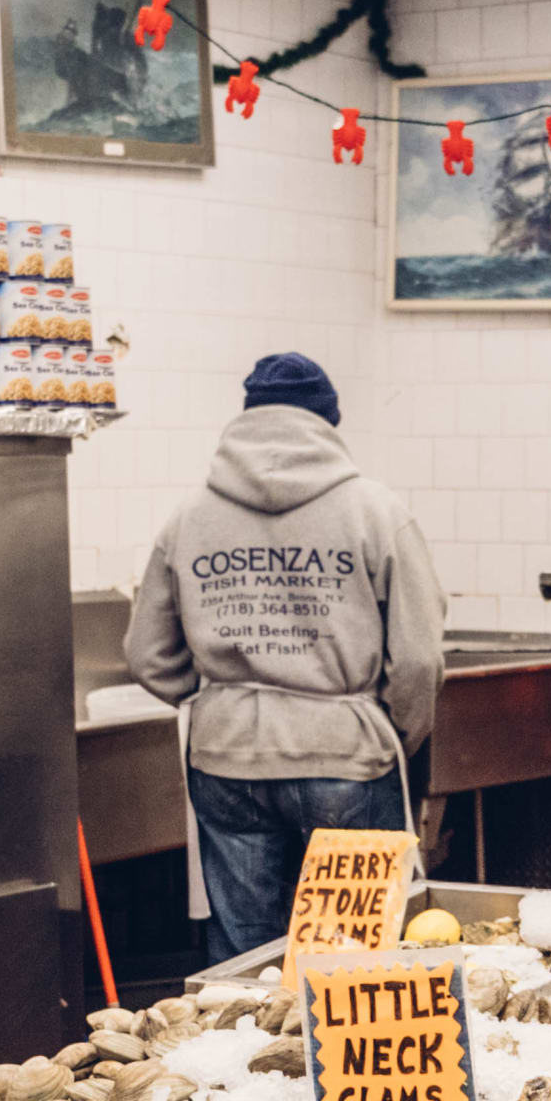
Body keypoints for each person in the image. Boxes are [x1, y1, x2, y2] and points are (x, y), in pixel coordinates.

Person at [126, 351, 441, 960]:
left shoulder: (190, 517)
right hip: (347, 757)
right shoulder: (376, 512)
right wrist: (391, 733)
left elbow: (146, 654)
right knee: (354, 955)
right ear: (328, 423)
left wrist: (219, 697)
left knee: (247, 955)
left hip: (226, 756)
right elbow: (420, 659)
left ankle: (242, 1055)